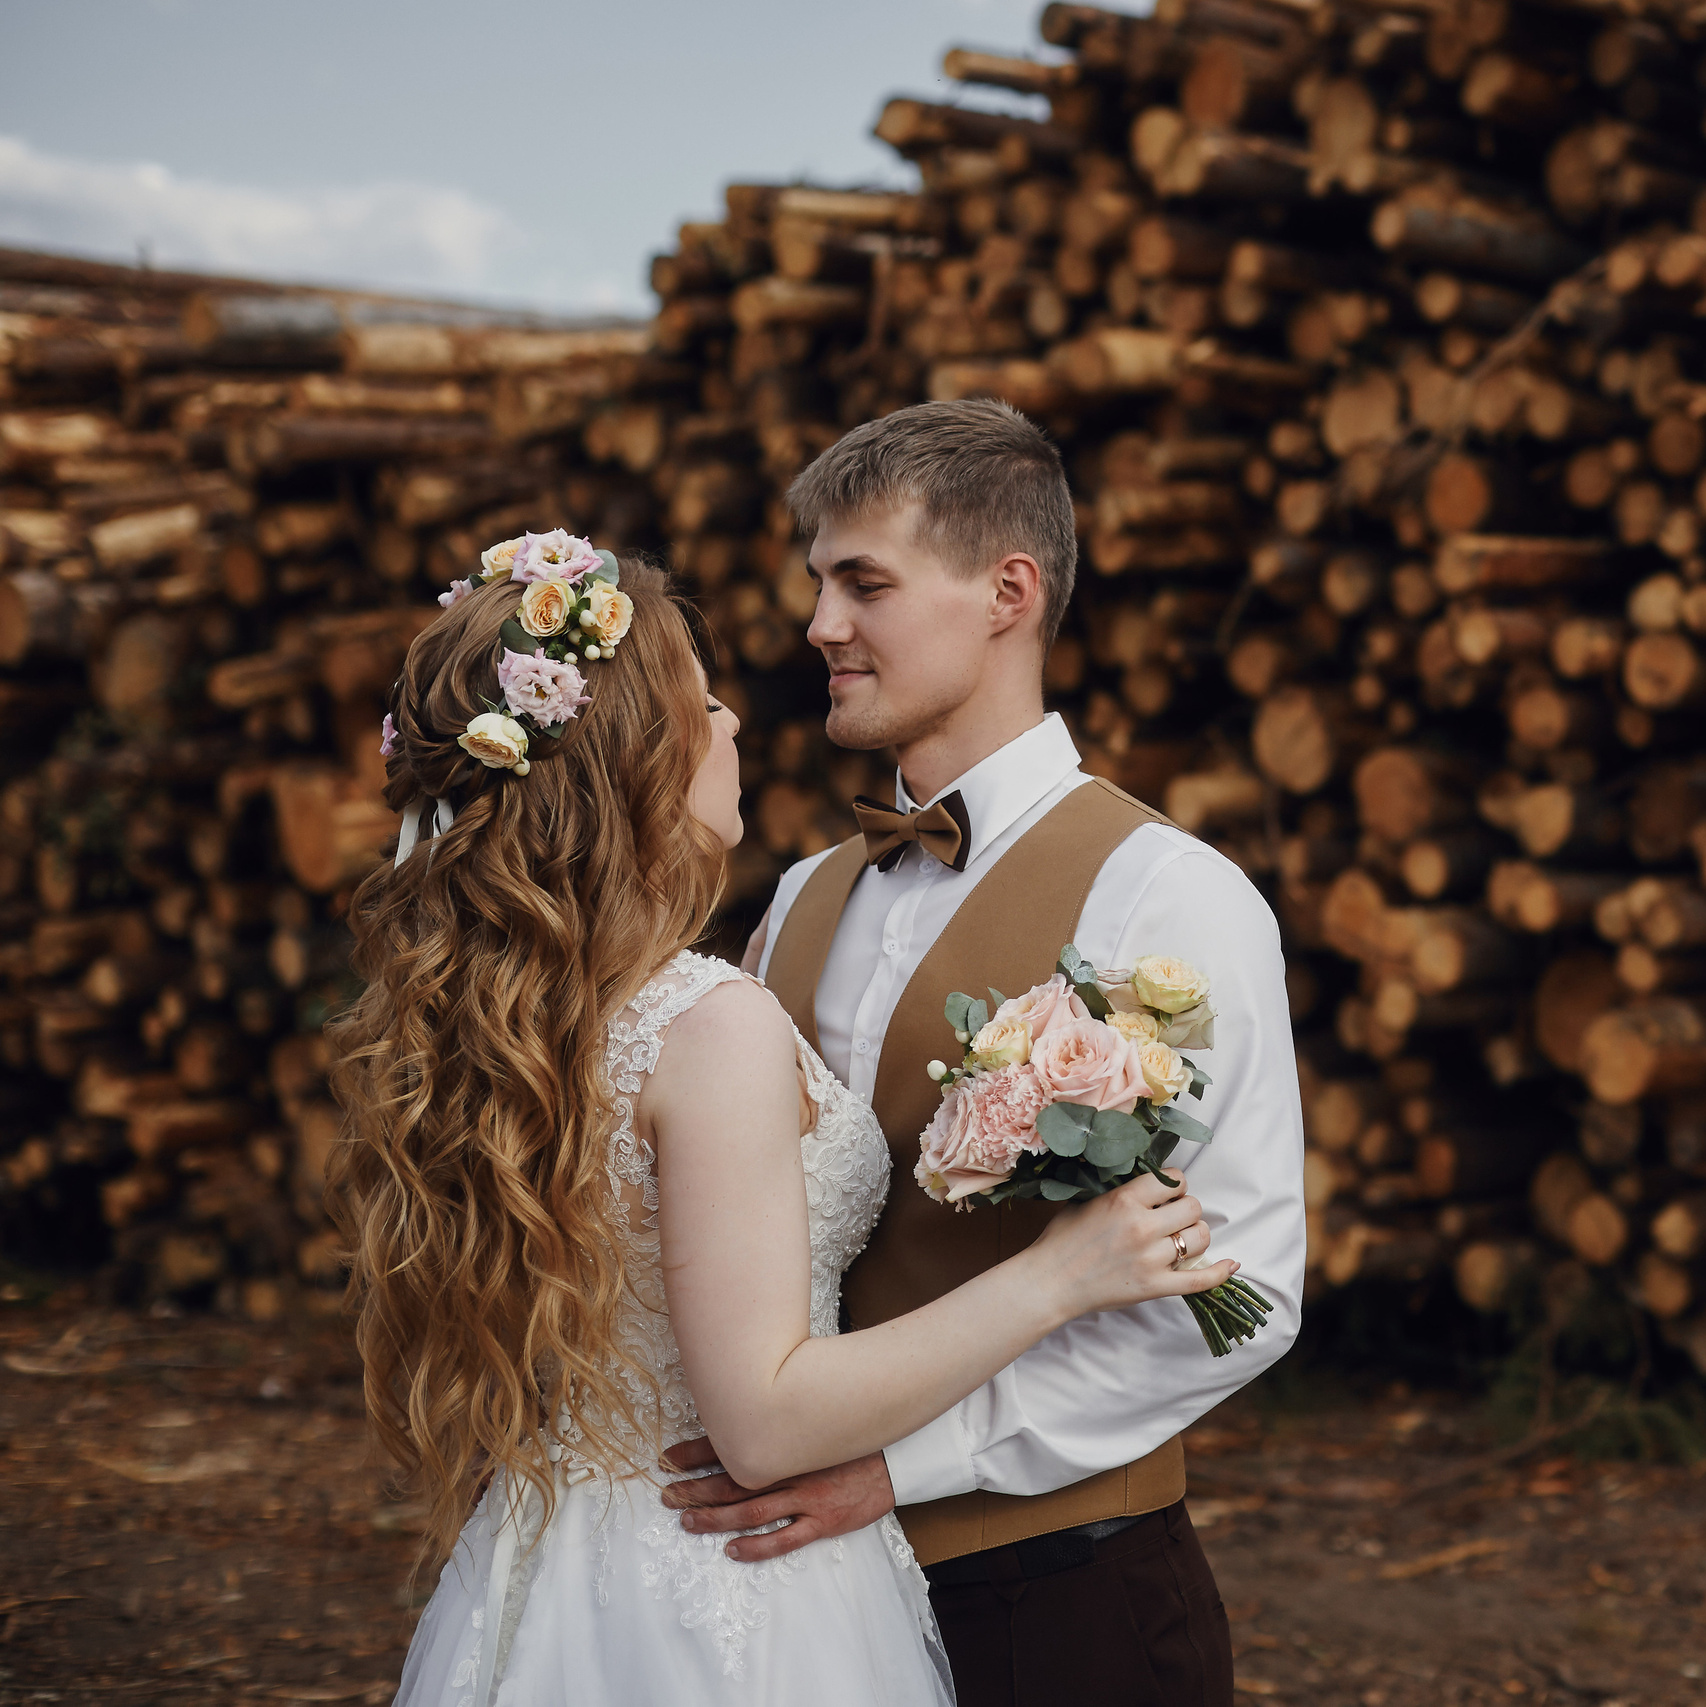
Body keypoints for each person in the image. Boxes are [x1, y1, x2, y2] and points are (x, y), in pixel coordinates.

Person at [332, 540, 1235, 1706]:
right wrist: (1061, 1275)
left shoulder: (545, 1008)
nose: (733, 719)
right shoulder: (708, 1021)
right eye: (699, 700)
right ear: (636, 761)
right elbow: (760, 1422)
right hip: (731, 1591)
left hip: (561, 1554)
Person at [663, 398, 1305, 1707]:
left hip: (1059, 1597)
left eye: (864, 583)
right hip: (793, 1603)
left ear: (1008, 590)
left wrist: (912, 1464)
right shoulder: (794, 900)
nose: (820, 626)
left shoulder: (1165, 898)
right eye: (818, 584)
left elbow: (1233, 1291)